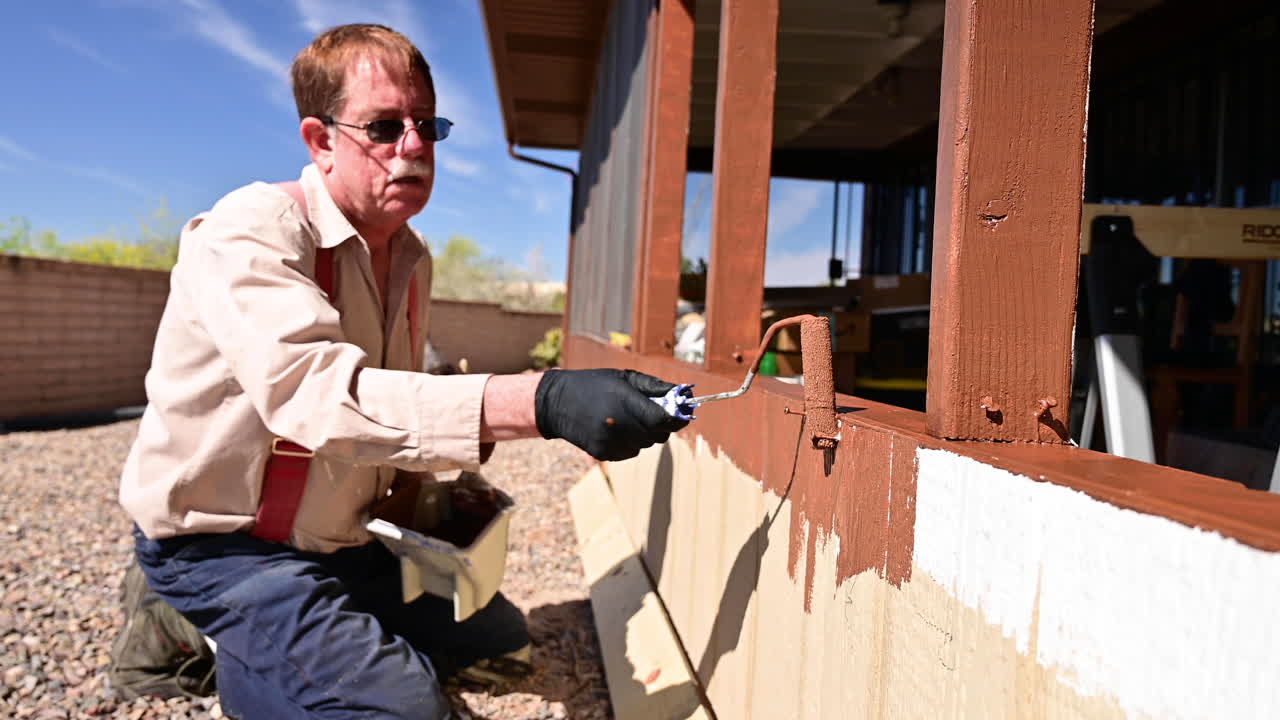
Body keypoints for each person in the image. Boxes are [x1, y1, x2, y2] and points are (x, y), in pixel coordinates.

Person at [119, 24, 687, 719]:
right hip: (230, 550)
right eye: (384, 126)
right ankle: (201, 631)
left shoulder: (411, 258)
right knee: (409, 708)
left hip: (344, 540)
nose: (414, 146)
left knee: (496, 641)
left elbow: (389, 412)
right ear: (321, 140)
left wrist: (439, 502)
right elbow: (321, 398)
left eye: (427, 125)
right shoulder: (251, 231)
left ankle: (291, 644)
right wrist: (545, 399)